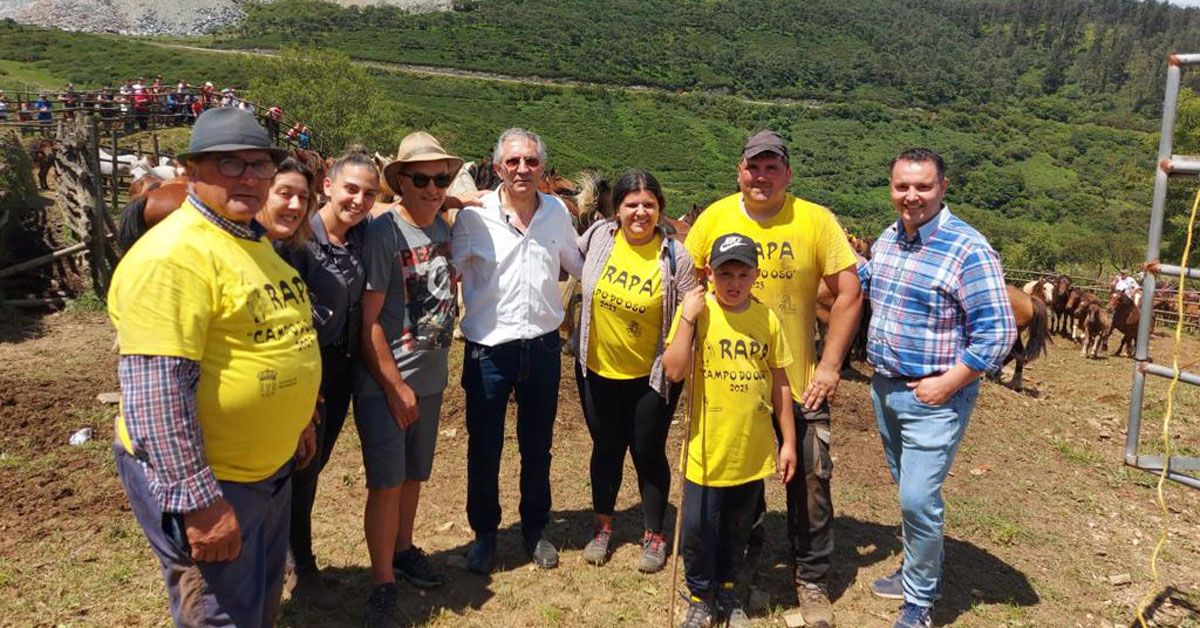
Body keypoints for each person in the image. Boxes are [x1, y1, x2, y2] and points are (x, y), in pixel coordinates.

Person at [106, 108, 321, 628]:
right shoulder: (173, 258)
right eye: (230, 165)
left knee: (259, 604)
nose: (250, 177)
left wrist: (298, 422)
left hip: (264, 472)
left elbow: (274, 338)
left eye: (260, 164)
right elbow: (157, 393)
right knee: (220, 615)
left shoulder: (252, 242)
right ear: (192, 171)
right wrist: (198, 504)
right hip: (214, 481)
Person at [683, 130, 861, 627]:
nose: (761, 176)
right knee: (744, 487)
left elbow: (849, 292)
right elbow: (686, 281)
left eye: (772, 167)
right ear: (739, 170)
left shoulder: (816, 220)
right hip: (731, 385)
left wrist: (829, 365)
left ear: (787, 173)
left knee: (810, 483)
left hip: (799, 382)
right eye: (753, 166)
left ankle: (811, 580)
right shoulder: (714, 218)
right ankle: (741, 576)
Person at [858, 148, 1016, 628]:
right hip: (885, 389)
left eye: (923, 187)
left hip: (934, 396)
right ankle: (916, 568)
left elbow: (999, 332)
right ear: (891, 189)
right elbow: (865, 282)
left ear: (942, 188)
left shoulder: (968, 248)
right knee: (907, 489)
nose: (912, 196)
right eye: (903, 187)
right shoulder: (888, 240)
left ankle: (920, 603)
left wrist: (948, 384)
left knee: (916, 498)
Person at [452, 128, 583, 574]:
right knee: (484, 447)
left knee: (538, 445)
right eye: (513, 162)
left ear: (542, 167)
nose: (522, 169)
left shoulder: (557, 216)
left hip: (543, 347)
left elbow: (579, 265)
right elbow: (448, 271)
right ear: (498, 167)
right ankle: (485, 535)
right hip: (488, 350)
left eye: (530, 161)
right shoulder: (474, 217)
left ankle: (534, 528)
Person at [662, 233, 797, 628]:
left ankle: (727, 588)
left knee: (738, 528)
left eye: (742, 273)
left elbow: (780, 383)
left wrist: (787, 440)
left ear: (756, 275)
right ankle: (700, 595)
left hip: (750, 450)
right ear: (710, 275)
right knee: (698, 529)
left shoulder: (767, 319)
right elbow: (673, 370)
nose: (733, 282)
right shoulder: (699, 313)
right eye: (725, 274)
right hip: (706, 449)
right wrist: (687, 316)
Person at [357, 132, 460, 627]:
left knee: (415, 474)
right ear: (399, 180)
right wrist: (394, 385)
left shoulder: (441, 226)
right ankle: (381, 580)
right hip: (389, 381)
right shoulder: (384, 233)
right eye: (421, 178)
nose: (433, 187)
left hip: (431, 377)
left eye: (441, 178)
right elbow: (370, 319)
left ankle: (403, 548)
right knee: (387, 482)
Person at [573, 169, 696, 572]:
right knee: (606, 448)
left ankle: (654, 535)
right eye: (631, 205)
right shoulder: (597, 239)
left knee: (647, 451)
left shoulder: (676, 257)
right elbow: (560, 260)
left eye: (649, 205)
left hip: (651, 375)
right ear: (617, 210)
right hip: (596, 369)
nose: (640, 212)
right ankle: (603, 527)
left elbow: (693, 310)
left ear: (660, 209)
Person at [280, 149, 381, 607]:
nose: (358, 200)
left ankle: (289, 556)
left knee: (314, 467)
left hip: (341, 369)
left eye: (368, 193)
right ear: (328, 187)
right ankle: (301, 568)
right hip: (309, 370)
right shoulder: (299, 242)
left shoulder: (359, 238)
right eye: (351, 189)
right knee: (300, 470)